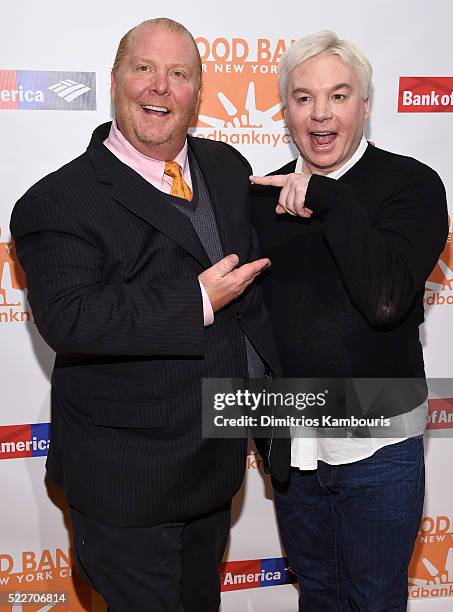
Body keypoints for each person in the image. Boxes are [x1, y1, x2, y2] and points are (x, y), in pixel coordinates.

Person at [10, 18, 280, 612]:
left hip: (213, 469)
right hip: (126, 486)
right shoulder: (56, 201)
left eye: (178, 74)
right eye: (144, 68)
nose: (160, 87)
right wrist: (197, 300)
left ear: (197, 92)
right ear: (115, 80)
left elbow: (256, 294)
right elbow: (71, 317)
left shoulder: (227, 168)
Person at [250, 31, 448, 611]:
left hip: (379, 440)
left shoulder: (411, 185)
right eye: (303, 97)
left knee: (376, 599)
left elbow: (384, 298)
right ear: (285, 108)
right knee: (318, 593)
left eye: (338, 96)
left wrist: (329, 197)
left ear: (365, 104)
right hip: (294, 437)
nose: (320, 115)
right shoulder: (263, 195)